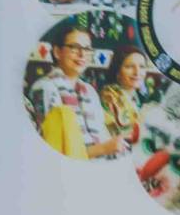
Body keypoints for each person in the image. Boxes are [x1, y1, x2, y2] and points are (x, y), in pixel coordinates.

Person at [29, 20, 126, 160]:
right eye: (74, 47)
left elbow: (102, 135)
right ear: (57, 52)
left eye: (87, 49)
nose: (82, 54)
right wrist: (104, 149)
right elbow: (54, 150)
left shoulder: (89, 91)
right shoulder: (44, 87)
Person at [101, 44, 147, 154]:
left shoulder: (137, 98)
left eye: (142, 67)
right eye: (130, 66)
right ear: (117, 71)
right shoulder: (110, 96)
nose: (137, 72)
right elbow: (116, 136)